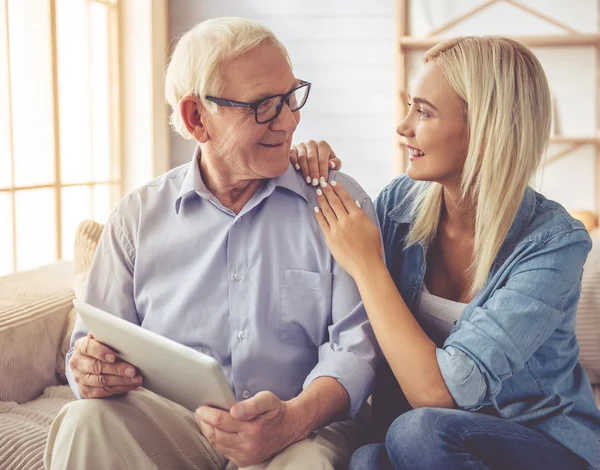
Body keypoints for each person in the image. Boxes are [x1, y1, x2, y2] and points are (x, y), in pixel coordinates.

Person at [43, 17, 381, 470]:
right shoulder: (136, 219)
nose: (290, 120)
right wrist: (87, 368)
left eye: (290, 97)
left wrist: (292, 419)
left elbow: (356, 349)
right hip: (175, 426)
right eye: (264, 105)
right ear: (196, 117)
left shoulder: (337, 202)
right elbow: (90, 342)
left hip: (300, 430)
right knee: (86, 421)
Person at [290, 36, 600, 470]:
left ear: (486, 129)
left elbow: (438, 396)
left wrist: (368, 265)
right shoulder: (400, 204)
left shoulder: (554, 243)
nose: (403, 127)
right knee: (366, 461)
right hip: (433, 446)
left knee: (418, 430)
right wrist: (306, 169)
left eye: (424, 112)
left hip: (543, 443)